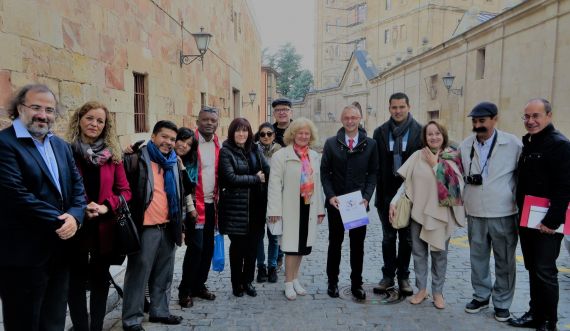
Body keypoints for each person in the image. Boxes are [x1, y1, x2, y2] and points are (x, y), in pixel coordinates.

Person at [0, 84, 86, 331]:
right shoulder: (5, 144)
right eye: (35, 107)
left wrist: (75, 217)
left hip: (60, 251)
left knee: (54, 322)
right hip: (23, 256)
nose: (43, 114)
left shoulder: (61, 145)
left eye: (49, 109)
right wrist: (63, 220)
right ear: (19, 108)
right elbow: (14, 195)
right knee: (24, 324)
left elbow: (77, 189)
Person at [66, 101, 132, 331]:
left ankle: (96, 327)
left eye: (100, 121)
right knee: (74, 283)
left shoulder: (113, 156)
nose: (94, 124)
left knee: (100, 281)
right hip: (76, 227)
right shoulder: (66, 152)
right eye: (90, 118)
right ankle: (80, 326)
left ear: (106, 126)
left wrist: (105, 206)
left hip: (104, 228)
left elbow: (125, 191)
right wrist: (79, 207)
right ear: (80, 119)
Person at [390, 121, 465, 309]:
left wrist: (435, 165)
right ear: (425, 137)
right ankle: (421, 289)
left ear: (443, 135)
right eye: (430, 134)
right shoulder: (417, 156)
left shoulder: (452, 156)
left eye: (437, 133)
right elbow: (407, 183)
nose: (433, 137)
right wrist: (394, 201)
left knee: (440, 254)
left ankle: (438, 292)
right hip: (419, 212)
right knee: (419, 253)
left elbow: (455, 189)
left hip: (441, 214)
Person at [458, 102, 522, 322]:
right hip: (475, 210)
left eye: (482, 121)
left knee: (504, 260)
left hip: (503, 211)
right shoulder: (465, 146)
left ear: (495, 119)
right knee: (478, 258)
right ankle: (481, 295)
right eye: (475, 121)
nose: (478, 125)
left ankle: (502, 302)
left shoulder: (512, 144)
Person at [510, 98, 570, 331]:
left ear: (549, 116)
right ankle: (535, 313)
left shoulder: (560, 145)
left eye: (536, 116)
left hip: (546, 223)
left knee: (545, 272)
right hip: (527, 219)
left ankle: (549, 322)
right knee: (533, 268)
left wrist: (552, 222)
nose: (531, 121)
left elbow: (565, 187)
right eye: (527, 116)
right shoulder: (530, 143)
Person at [122, 120, 185, 330]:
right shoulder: (137, 159)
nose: (168, 142)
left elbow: (180, 194)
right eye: (164, 137)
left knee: (164, 274)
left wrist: (180, 226)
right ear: (154, 137)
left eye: (172, 139)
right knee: (138, 275)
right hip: (145, 228)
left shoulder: (174, 162)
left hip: (168, 227)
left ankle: (159, 311)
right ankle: (132, 319)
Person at [320, 105, 378, 300]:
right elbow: (324, 174)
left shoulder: (370, 144)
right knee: (335, 244)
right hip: (337, 203)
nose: (350, 121)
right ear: (341, 119)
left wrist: (367, 196)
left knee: (357, 246)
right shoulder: (331, 144)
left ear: (360, 118)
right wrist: (330, 196)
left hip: (358, 204)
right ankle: (332, 282)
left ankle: (356, 284)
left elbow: (373, 174)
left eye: (354, 117)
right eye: (347, 118)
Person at [267, 118, 326, 300]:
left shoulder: (314, 156)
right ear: (293, 134)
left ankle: (295, 279)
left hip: (308, 205)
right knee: (291, 247)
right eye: (300, 133)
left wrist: (320, 209)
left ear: (311, 136)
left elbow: (318, 184)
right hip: (289, 206)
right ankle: (287, 282)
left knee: (302, 247)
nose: (303, 136)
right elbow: (274, 184)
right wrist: (274, 210)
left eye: (306, 133)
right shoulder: (281, 156)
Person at [372, 92, 422, 296]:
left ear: (408, 107)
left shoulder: (420, 131)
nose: (398, 111)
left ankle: (403, 277)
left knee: (408, 238)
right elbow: (375, 164)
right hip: (385, 194)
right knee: (388, 237)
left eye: (402, 107)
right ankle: (387, 276)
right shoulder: (380, 132)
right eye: (394, 107)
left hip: (411, 193)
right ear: (389, 108)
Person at [219, 118, 270, 297]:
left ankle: (248, 281)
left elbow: (268, 170)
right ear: (232, 132)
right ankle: (236, 283)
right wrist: (256, 178)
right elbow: (230, 179)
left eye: (245, 130)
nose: (242, 134)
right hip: (237, 209)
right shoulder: (226, 152)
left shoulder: (255, 149)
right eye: (238, 131)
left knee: (252, 248)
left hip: (257, 207)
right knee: (238, 248)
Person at [178, 106, 221, 307]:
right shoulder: (190, 143)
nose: (209, 123)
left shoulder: (218, 144)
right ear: (197, 122)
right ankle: (185, 290)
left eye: (213, 120)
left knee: (208, 249)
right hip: (193, 205)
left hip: (212, 204)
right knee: (195, 248)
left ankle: (199, 285)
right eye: (205, 120)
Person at [255, 122, 282, 283]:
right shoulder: (252, 150)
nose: (266, 136)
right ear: (259, 135)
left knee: (273, 235)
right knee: (259, 235)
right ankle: (261, 267)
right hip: (258, 198)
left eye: (269, 133)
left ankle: (272, 266)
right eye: (262, 134)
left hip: (274, 198)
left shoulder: (280, 151)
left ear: (273, 135)